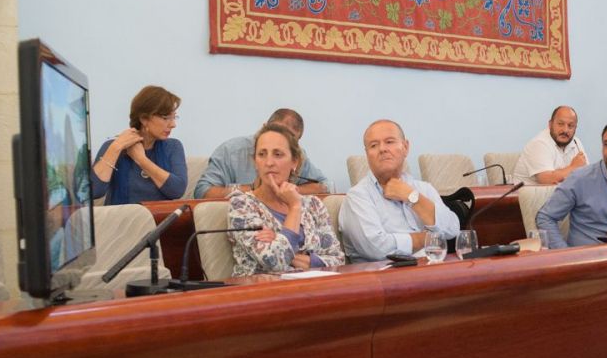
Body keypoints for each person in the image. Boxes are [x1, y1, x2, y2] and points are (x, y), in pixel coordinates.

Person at [227, 123, 344, 276]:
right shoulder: (241, 205)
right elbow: (275, 262)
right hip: (264, 288)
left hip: (316, 287)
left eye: (278, 154)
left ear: (294, 162)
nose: (269, 162)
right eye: (262, 154)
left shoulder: (313, 205)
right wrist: (295, 207)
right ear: (255, 162)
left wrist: (282, 245)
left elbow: (337, 259)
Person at [339, 119, 460, 262]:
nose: (382, 149)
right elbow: (376, 249)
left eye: (389, 142)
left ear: (405, 147)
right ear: (367, 154)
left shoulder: (423, 189)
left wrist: (412, 197)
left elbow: (452, 229)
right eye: (374, 145)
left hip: (433, 268)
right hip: (388, 273)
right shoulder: (357, 196)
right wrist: (429, 238)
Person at [195, 108, 329, 198]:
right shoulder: (231, 151)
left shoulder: (296, 155)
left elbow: (325, 186)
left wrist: (291, 190)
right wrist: (255, 189)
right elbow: (202, 191)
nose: (279, 139)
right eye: (275, 131)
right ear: (264, 127)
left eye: (289, 138)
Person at [91, 85, 187, 205]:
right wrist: (116, 147)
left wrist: (141, 159)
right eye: (165, 118)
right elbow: (94, 191)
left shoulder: (173, 147)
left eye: (174, 117)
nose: (173, 124)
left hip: (160, 216)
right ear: (144, 119)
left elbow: (177, 190)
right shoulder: (114, 146)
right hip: (122, 216)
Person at [512, 106, 589, 185]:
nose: (565, 130)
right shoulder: (539, 143)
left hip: (561, 191)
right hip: (529, 192)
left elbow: (587, 176)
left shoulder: (576, 142)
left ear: (575, 128)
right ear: (550, 124)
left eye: (570, 125)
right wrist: (573, 167)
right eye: (560, 124)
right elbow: (547, 180)